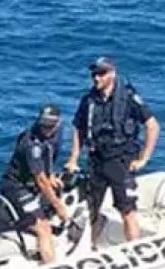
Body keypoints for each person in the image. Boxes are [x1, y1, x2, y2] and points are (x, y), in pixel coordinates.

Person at [64, 56, 159, 246]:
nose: (96, 78)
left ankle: (134, 248)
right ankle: (89, 248)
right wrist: (74, 157)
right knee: (91, 208)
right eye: (94, 74)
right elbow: (78, 128)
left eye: (101, 73)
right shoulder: (89, 100)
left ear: (112, 74)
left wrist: (144, 158)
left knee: (127, 209)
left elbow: (153, 126)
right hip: (96, 159)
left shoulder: (129, 98)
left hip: (121, 160)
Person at [0, 103, 70, 264]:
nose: (46, 130)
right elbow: (41, 181)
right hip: (16, 187)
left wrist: (51, 175)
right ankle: (50, 268)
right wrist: (59, 206)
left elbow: (49, 154)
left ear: (58, 123)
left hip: (33, 183)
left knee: (58, 189)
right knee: (44, 228)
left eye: (50, 127)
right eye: (43, 126)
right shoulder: (31, 144)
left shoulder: (58, 131)